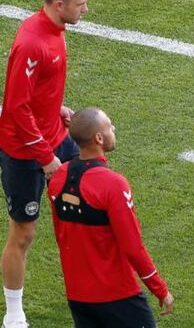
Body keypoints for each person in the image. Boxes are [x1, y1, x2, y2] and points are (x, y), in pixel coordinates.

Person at [0, 0, 88, 327]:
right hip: (25, 153)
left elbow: (38, 93)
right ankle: (14, 313)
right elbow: (16, 108)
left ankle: (91, 288)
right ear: (59, 4)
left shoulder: (57, 30)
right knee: (24, 232)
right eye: (80, 4)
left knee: (88, 202)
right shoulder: (32, 44)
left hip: (56, 136)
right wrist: (46, 158)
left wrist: (57, 109)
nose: (85, 10)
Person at [47, 107, 174, 327]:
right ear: (98, 138)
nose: (113, 128)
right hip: (118, 295)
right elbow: (133, 247)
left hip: (78, 295)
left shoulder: (58, 177)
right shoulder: (113, 184)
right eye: (109, 126)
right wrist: (160, 289)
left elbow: (62, 236)